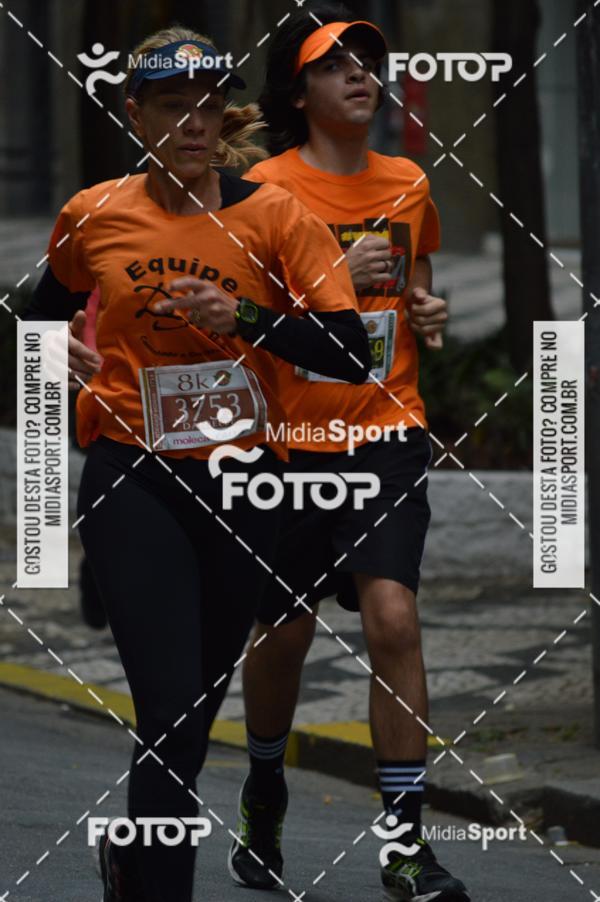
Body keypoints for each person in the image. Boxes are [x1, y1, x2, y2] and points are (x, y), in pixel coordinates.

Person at [25, 25, 371, 902]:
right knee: (170, 706)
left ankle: (134, 859)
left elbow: (348, 349)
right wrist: (55, 349)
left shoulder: (275, 216)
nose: (193, 122)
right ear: (136, 115)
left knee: (191, 715)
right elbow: (42, 308)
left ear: (225, 119)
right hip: (130, 476)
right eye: (173, 106)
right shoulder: (94, 212)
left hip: (245, 486)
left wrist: (242, 317)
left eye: (208, 106)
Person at [228, 7, 470, 901]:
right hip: (288, 444)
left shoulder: (407, 181)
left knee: (394, 619)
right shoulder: (260, 187)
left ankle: (405, 848)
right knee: (282, 636)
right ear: (299, 91)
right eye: (337, 66)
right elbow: (237, 334)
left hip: (386, 433)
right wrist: (330, 284)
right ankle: (262, 787)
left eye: (369, 62)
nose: (362, 76)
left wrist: (426, 311)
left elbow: (417, 285)